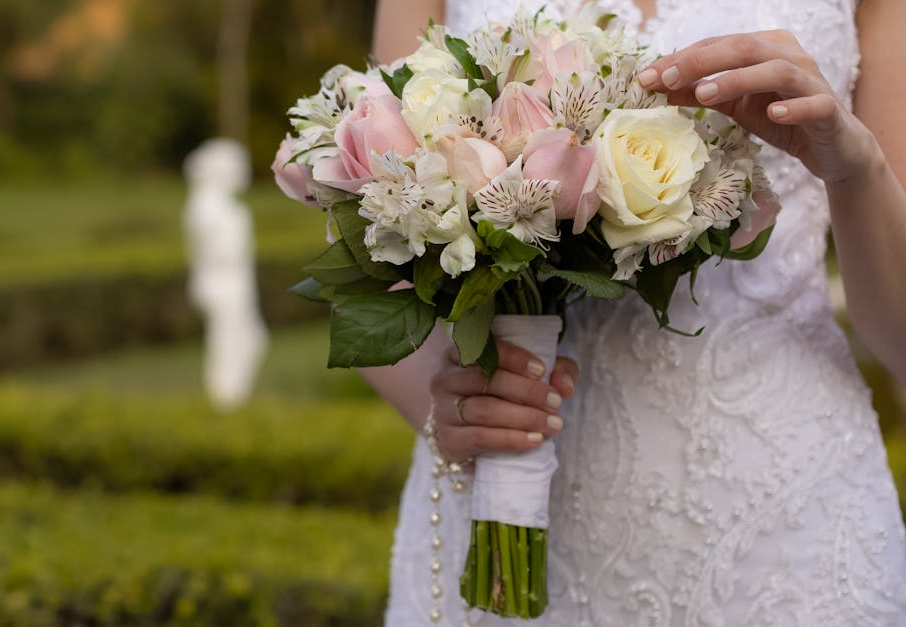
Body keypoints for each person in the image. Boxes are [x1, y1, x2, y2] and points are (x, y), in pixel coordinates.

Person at [365, 0, 906, 624]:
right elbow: (381, 218)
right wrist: (443, 403)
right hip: (505, 499)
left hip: (787, 527)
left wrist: (857, 168)